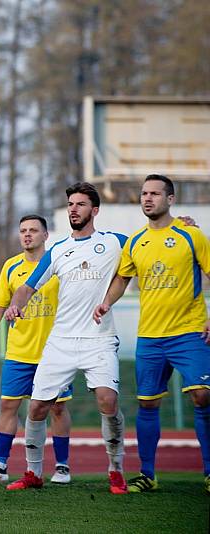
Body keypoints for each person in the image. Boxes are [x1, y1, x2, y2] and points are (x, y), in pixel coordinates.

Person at [4, 182, 128, 495]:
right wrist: (17, 304)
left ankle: (116, 469)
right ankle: (33, 472)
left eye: (81, 204)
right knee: (37, 408)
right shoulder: (58, 249)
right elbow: (27, 286)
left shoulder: (115, 243)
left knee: (108, 400)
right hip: (60, 340)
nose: (73, 208)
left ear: (94, 210)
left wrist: (181, 223)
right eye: (70, 203)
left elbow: (148, 242)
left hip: (99, 337)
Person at [94, 174, 210, 494]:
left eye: (155, 194)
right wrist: (106, 302)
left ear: (170, 200)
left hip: (189, 332)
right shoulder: (135, 241)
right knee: (147, 404)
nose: (148, 198)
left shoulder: (191, 235)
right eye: (144, 193)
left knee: (203, 395)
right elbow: (122, 277)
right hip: (150, 337)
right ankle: (147, 474)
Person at [0, 215, 73, 484]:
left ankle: (62, 467)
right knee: (8, 406)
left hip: (55, 352)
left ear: (45, 235)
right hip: (18, 352)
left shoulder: (59, 262)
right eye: (23, 231)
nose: (27, 235)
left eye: (33, 230)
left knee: (57, 409)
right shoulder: (11, 266)